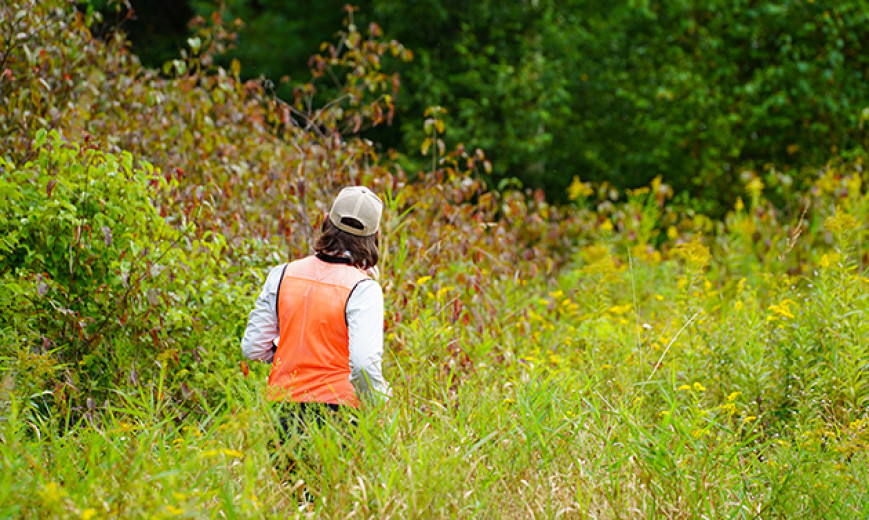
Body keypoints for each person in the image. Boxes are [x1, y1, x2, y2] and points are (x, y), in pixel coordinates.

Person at [241, 186, 390, 431]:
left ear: (326, 222)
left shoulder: (282, 275)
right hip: (340, 417)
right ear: (375, 237)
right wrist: (378, 403)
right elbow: (363, 364)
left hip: (283, 410)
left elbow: (253, 348)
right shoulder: (363, 289)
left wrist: (291, 353)